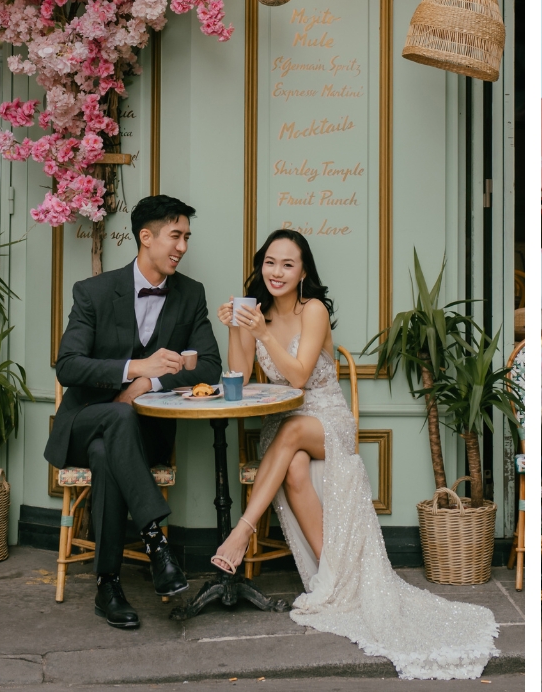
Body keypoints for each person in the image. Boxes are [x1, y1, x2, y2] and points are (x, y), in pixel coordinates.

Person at [211, 230, 499, 680]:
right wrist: (237, 327)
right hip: (284, 427)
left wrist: (264, 334)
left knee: (292, 434)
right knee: (295, 463)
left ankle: (240, 532)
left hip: (327, 421)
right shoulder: (258, 313)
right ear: (259, 265)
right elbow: (241, 378)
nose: (277, 272)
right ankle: (336, 578)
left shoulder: (314, 311)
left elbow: (300, 378)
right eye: (270, 262)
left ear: (304, 271)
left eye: (288, 264)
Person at [46, 195, 222, 629]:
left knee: (114, 444)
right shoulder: (94, 292)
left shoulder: (191, 294)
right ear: (146, 238)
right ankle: (156, 543)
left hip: (143, 435)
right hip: (84, 423)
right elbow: (67, 365)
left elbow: (212, 366)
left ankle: (108, 585)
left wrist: (148, 383)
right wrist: (132, 368)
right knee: (110, 428)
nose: (182, 246)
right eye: (175, 236)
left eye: (186, 237)